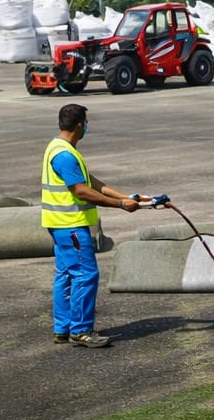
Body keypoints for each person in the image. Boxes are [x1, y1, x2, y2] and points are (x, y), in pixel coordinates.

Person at [41, 103, 155, 348]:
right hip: (71, 226)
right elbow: (82, 191)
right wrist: (120, 206)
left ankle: (62, 328)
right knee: (85, 274)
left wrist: (127, 197)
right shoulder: (65, 155)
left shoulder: (58, 147)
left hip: (58, 225)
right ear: (80, 124)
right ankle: (81, 331)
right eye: (87, 123)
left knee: (65, 276)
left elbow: (92, 182)